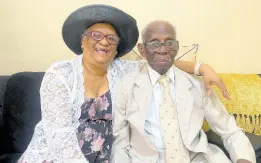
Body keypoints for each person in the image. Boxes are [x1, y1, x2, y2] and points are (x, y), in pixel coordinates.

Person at [19, 5, 231, 163]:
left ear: (116, 47)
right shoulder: (60, 75)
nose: (104, 42)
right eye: (96, 35)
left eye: (111, 39)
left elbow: (158, 60)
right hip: (55, 157)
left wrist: (201, 68)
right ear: (82, 40)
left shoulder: (122, 70)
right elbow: (60, 139)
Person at [112, 20, 256, 163]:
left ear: (177, 46)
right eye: (155, 43)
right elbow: (119, 144)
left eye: (169, 43)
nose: (163, 49)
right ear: (142, 50)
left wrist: (244, 159)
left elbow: (229, 130)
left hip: (195, 158)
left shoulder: (198, 85)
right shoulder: (126, 86)